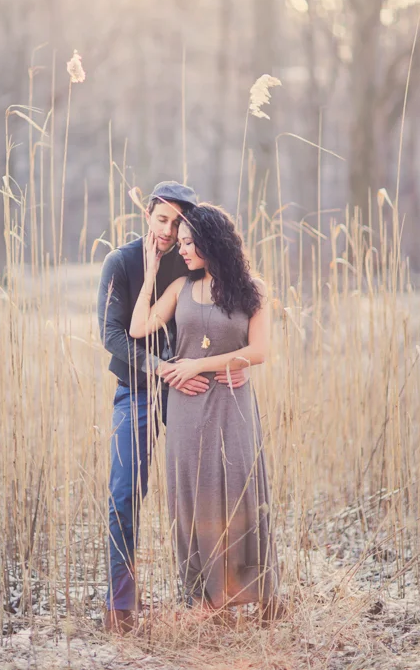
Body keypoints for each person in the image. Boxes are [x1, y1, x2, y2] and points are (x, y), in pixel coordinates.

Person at [97, 181, 251, 633]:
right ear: (147, 215)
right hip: (139, 390)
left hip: (198, 392)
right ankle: (121, 603)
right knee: (124, 493)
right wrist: (163, 368)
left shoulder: (195, 261)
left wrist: (237, 362)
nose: (168, 232)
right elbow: (112, 335)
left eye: (176, 224)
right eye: (161, 220)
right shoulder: (121, 262)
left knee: (207, 489)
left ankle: (214, 594)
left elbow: (232, 321)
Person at [129, 202, 279, 620]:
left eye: (191, 243)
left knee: (237, 490)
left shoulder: (253, 289)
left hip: (233, 405)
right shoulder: (179, 288)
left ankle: (246, 589)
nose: (184, 251)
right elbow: (138, 328)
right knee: (191, 496)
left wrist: (204, 364)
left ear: (214, 241)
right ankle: (204, 596)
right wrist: (149, 274)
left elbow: (259, 351)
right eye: (180, 244)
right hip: (186, 407)